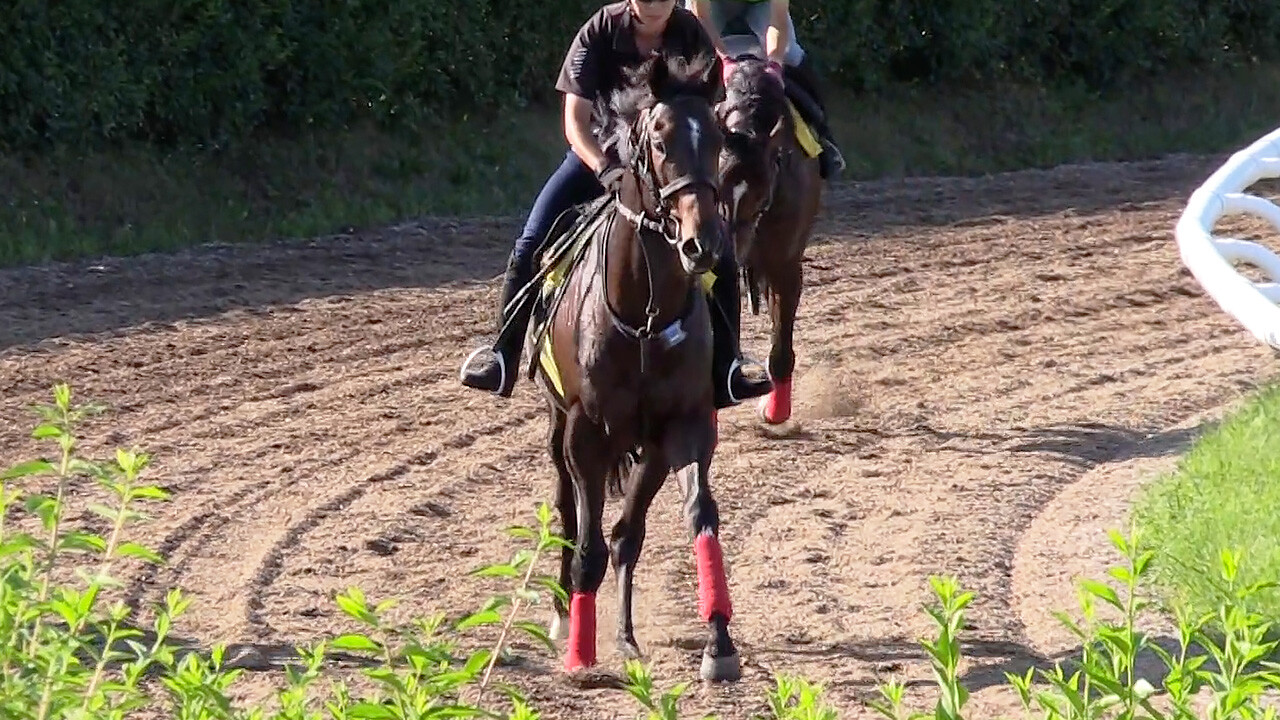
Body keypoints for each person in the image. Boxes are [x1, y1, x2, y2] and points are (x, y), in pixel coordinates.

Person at [459, 0, 773, 409]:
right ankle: (503, 354)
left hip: (667, 169)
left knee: (722, 253)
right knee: (531, 240)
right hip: (599, 157)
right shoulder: (599, 31)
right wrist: (603, 168)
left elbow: (703, 106)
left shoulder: (691, 33)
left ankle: (728, 367)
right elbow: (575, 121)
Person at [685, 0, 847, 179]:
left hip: (761, 4)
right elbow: (701, 18)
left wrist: (775, 64)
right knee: (690, 53)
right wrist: (723, 61)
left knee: (791, 55)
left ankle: (824, 136)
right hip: (711, 7)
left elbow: (777, 21)